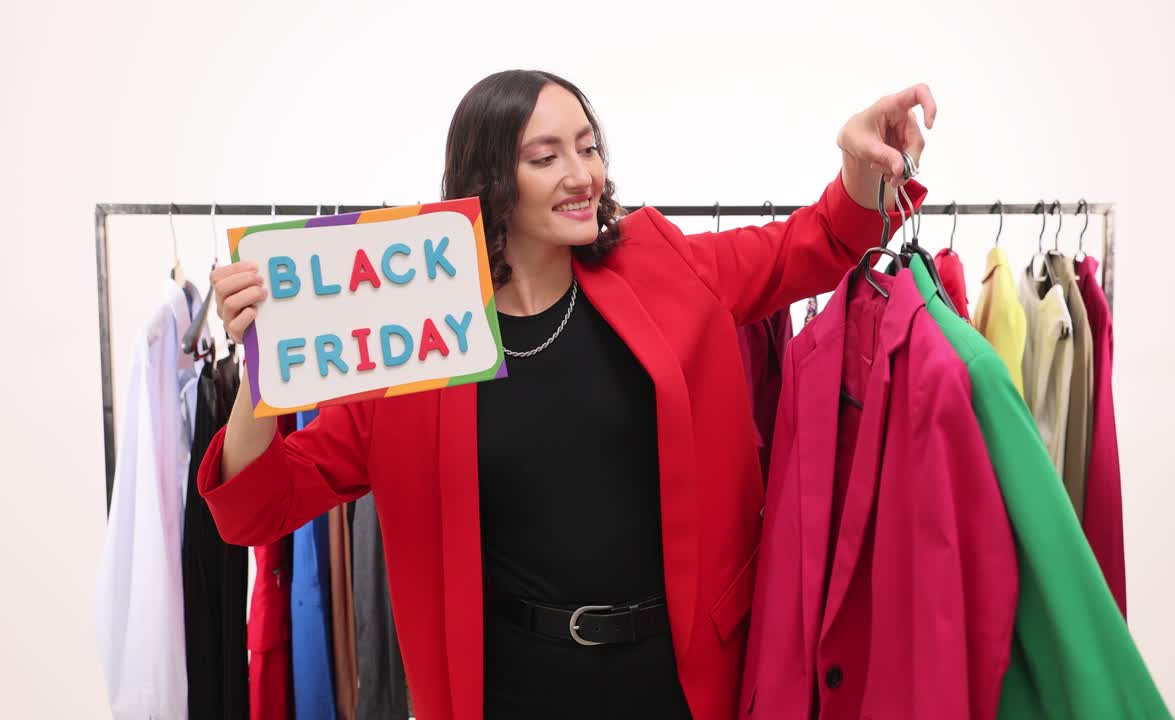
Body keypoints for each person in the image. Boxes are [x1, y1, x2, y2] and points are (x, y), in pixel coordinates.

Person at [199, 69, 933, 720]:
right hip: (514, 688)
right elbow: (258, 506)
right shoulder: (416, 344)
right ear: (487, 178)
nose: (581, 173)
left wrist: (860, 168)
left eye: (589, 146)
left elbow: (811, 246)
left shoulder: (662, 264)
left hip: (678, 679)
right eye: (546, 157)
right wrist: (264, 374)